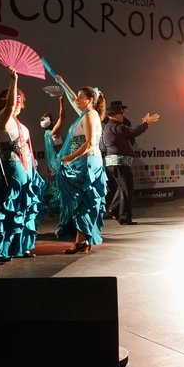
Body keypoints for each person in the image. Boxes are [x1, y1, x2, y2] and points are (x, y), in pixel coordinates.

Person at [0, 67, 44, 263]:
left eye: (20, 101)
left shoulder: (18, 122)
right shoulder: (3, 119)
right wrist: (14, 80)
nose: (18, 104)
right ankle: (1, 249)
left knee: (23, 207)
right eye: (16, 100)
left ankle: (19, 246)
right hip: (14, 167)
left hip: (26, 168)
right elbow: (9, 106)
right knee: (10, 206)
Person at [53, 78, 107, 254]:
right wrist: (63, 83)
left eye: (81, 97)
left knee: (82, 200)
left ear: (90, 100)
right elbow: (72, 99)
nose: (77, 99)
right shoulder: (88, 114)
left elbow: (90, 143)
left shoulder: (90, 115)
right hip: (87, 161)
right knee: (83, 201)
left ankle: (81, 240)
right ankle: (81, 240)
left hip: (87, 162)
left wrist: (69, 158)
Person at [103, 101, 160, 225]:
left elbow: (130, 134)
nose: (123, 115)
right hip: (119, 162)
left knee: (123, 188)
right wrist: (146, 124)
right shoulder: (116, 126)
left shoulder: (110, 126)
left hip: (116, 162)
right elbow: (132, 132)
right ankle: (123, 216)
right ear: (116, 114)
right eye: (121, 113)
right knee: (127, 189)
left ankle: (114, 210)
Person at [39, 92, 67, 218]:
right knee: (60, 187)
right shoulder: (53, 132)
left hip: (54, 163)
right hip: (59, 162)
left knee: (56, 186)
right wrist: (61, 101)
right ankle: (57, 208)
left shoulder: (46, 134)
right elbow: (62, 117)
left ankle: (55, 208)